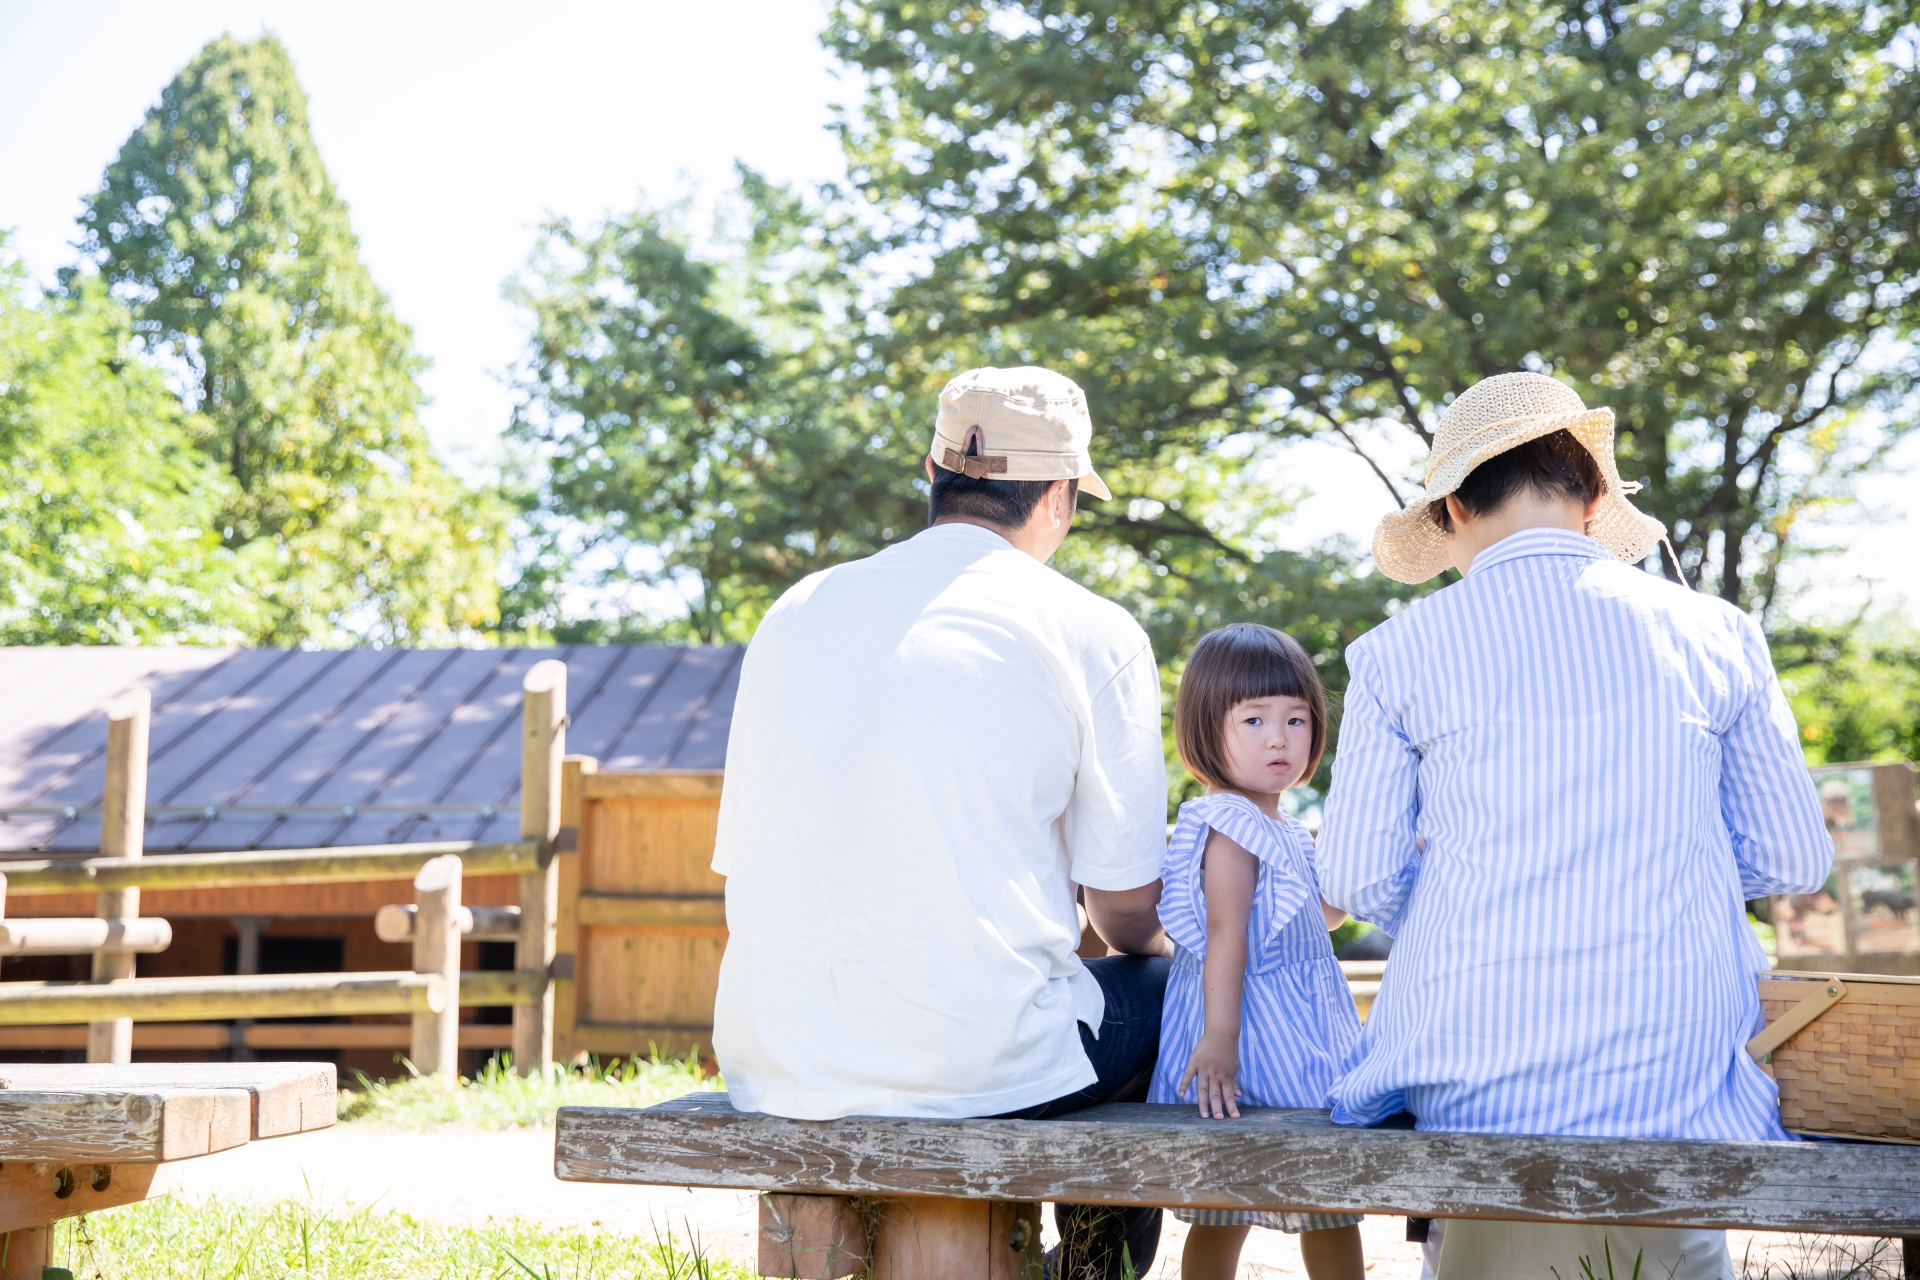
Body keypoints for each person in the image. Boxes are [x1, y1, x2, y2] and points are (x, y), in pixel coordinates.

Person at [1316, 372, 1833, 1279]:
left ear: (1450, 511)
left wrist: (1466, 886)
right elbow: (1792, 857)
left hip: (1469, 1070)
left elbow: (1358, 878)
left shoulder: (1396, 652)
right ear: (1595, 498)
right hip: (1675, 1076)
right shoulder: (1716, 634)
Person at [711, 365, 1172, 1279]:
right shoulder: (1091, 629)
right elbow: (1123, 910)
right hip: (977, 1066)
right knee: (1163, 991)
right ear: (1058, 494)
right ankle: (1085, 1274)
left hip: (776, 1055)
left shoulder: (796, 610)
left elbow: (743, 859)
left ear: (934, 469)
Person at [1147, 624, 1365, 1280]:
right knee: (1245, 1197)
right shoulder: (1232, 826)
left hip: (1297, 1027)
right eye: (1254, 719)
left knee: (1285, 1199)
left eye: (1296, 718)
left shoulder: (1285, 828)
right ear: (1205, 731)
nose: (1279, 737)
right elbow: (1225, 932)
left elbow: (1322, 917)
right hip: (1250, 1032)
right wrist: (1219, 1037)